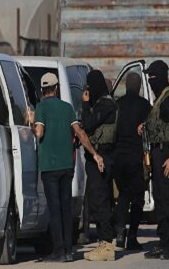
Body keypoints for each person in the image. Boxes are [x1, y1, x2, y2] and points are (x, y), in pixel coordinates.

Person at [30, 72, 104, 263]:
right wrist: (95, 154)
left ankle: (59, 251)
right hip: (67, 165)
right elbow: (79, 132)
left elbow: (39, 133)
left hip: (49, 166)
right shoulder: (67, 107)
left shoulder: (40, 108)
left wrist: (31, 122)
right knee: (65, 208)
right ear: (56, 88)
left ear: (42, 90)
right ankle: (69, 251)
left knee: (54, 209)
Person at [139, 60, 169, 260]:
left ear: (160, 77)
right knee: (160, 200)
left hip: (167, 155)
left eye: (153, 77)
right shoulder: (159, 100)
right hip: (157, 155)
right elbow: (159, 124)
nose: (151, 81)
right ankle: (164, 242)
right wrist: (144, 127)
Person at [81, 70, 118, 261]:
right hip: (100, 157)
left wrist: (85, 104)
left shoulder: (106, 105)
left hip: (102, 158)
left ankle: (107, 245)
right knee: (99, 200)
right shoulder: (103, 104)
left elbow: (87, 124)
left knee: (100, 201)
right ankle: (104, 243)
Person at [113, 72, 151, 250]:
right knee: (137, 198)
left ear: (126, 86)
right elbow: (151, 127)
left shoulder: (117, 104)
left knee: (123, 195)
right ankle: (133, 237)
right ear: (139, 87)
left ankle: (120, 231)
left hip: (117, 157)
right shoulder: (144, 105)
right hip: (135, 158)